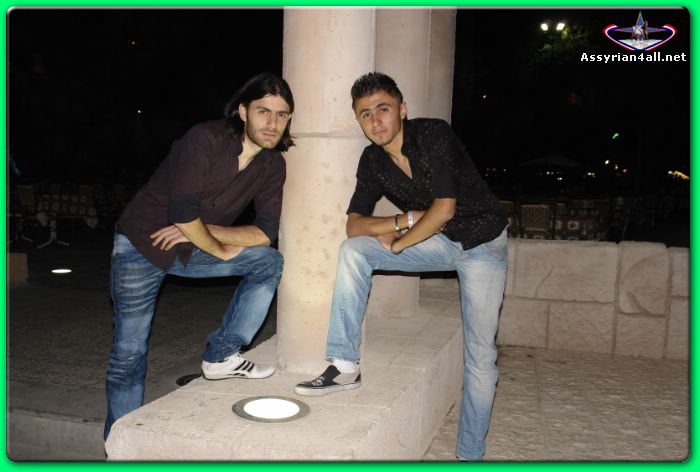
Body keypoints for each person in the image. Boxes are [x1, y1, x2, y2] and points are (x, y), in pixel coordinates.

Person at [294, 72, 508, 461]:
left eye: (383, 109)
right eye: (365, 114)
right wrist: (402, 221)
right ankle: (344, 364)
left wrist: (399, 243)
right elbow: (355, 225)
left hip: (482, 245)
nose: (375, 121)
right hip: (437, 241)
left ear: (402, 109)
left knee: (480, 355)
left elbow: (444, 209)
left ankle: (469, 455)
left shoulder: (433, 135)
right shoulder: (372, 160)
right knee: (354, 250)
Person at [105, 73, 294, 439]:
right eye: (263, 111)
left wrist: (206, 231)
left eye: (282, 114)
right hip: (141, 246)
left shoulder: (273, 165)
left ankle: (221, 355)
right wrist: (216, 245)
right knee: (128, 355)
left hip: (194, 245)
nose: (272, 123)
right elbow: (183, 212)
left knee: (267, 261)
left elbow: (264, 232)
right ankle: (120, 441)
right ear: (243, 111)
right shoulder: (205, 139)